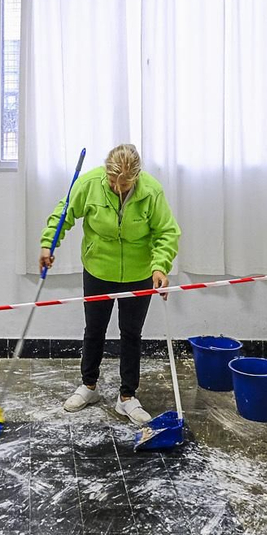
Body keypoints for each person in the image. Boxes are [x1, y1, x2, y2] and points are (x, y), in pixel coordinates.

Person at [39, 143, 181, 427]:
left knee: (131, 333)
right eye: (113, 182)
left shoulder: (151, 192)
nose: (118, 189)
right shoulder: (90, 184)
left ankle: (127, 396)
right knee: (94, 330)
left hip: (138, 273)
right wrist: (48, 244)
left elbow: (167, 232)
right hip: (98, 269)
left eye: (125, 184)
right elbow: (64, 213)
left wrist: (159, 267)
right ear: (106, 173)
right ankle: (89, 387)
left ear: (136, 177)